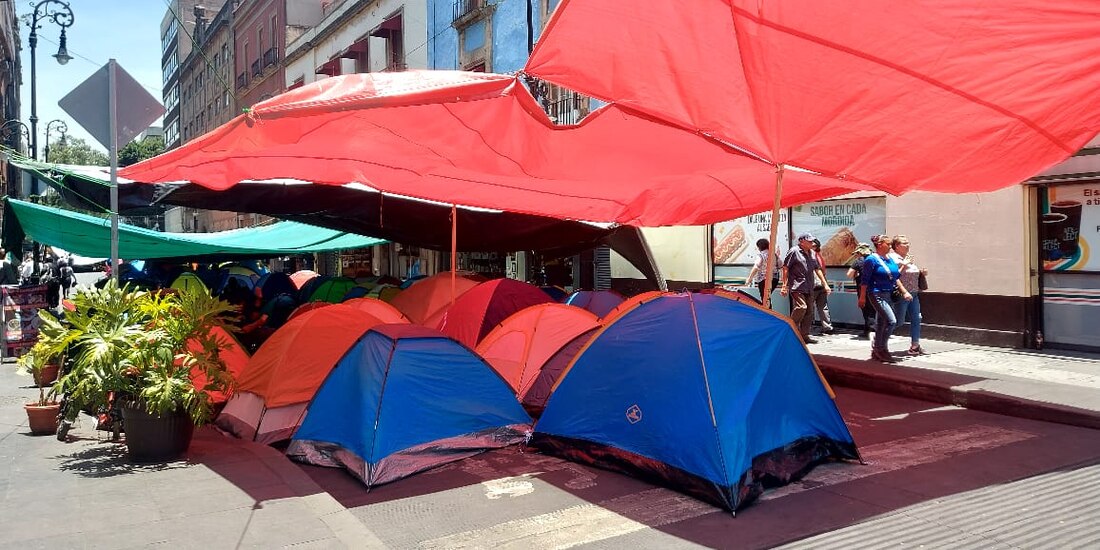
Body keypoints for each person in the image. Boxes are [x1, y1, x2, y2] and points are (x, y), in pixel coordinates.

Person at [858, 234, 912, 363]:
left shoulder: (889, 259)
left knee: (882, 323)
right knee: (891, 321)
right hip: (876, 293)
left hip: (888, 294)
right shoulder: (871, 259)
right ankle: (881, 348)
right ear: (880, 244)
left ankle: (878, 350)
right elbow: (864, 280)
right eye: (888, 244)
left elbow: (894, 276)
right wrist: (862, 297)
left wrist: (903, 267)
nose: (890, 247)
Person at [889, 235, 928, 355]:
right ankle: (879, 337)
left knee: (917, 318)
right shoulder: (893, 258)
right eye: (904, 243)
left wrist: (921, 272)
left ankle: (915, 345)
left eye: (908, 243)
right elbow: (893, 276)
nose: (908, 245)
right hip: (902, 294)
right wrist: (904, 265)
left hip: (914, 293)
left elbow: (910, 273)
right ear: (896, 246)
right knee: (898, 321)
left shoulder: (907, 257)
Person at [780, 232, 821, 344]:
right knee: (802, 307)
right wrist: (784, 285)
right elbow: (785, 268)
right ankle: (790, 328)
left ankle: (804, 335)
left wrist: (825, 283)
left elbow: (817, 268)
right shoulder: (794, 251)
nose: (812, 243)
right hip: (797, 285)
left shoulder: (812, 253)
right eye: (809, 241)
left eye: (812, 241)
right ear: (802, 241)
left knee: (809, 311)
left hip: (809, 285)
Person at [845, 243, 876, 339]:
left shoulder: (858, 261)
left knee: (866, 310)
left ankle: (872, 331)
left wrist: (857, 273)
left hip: (863, 289)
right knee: (874, 309)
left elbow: (849, 274)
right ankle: (867, 330)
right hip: (876, 288)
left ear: (860, 252)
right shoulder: (875, 259)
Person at [745, 238, 780, 307]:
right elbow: (780, 265)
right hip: (774, 279)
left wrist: (749, 278)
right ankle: (768, 310)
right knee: (767, 298)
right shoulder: (774, 255)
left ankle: (767, 312)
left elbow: (756, 267)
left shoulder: (761, 255)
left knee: (765, 299)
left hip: (764, 280)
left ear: (759, 247)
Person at [810, 239, 834, 335]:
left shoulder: (812, 256)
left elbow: (817, 270)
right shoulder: (819, 256)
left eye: (813, 246)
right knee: (823, 306)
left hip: (814, 284)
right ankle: (827, 327)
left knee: (808, 306)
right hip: (822, 283)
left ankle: (807, 327)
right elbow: (823, 271)